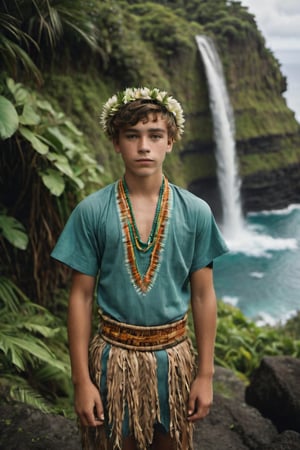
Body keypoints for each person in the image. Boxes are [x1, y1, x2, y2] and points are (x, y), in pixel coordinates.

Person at [51, 87, 228, 450]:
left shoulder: (195, 212)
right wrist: (82, 382)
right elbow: (81, 297)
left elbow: (203, 293)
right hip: (111, 360)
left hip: (174, 359)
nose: (143, 146)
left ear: (171, 141)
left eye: (155, 135)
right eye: (132, 135)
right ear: (116, 143)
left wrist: (205, 374)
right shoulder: (92, 211)